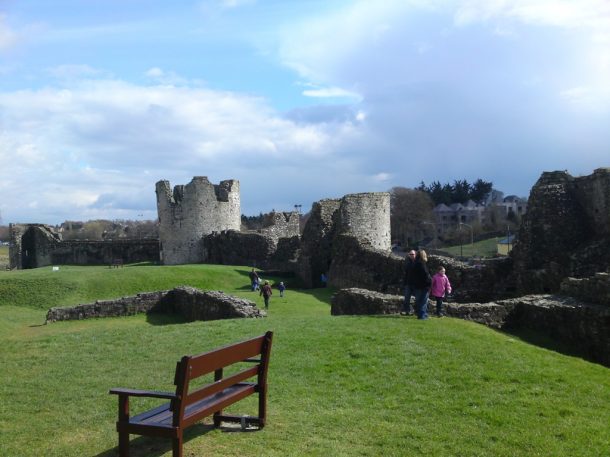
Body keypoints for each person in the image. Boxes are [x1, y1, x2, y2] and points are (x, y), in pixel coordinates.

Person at [411, 249, 432, 320]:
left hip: (417, 285)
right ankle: (422, 315)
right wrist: (430, 282)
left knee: (419, 301)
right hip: (424, 286)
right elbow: (426, 275)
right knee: (423, 301)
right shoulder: (422, 264)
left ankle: (423, 314)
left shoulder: (414, 264)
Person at [401, 250, 417, 315]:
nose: (411, 256)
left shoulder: (418, 262)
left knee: (418, 298)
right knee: (407, 298)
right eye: (410, 254)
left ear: (415, 255)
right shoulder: (407, 262)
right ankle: (406, 311)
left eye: (413, 254)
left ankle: (415, 311)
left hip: (416, 284)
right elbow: (406, 272)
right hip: (408, 283)